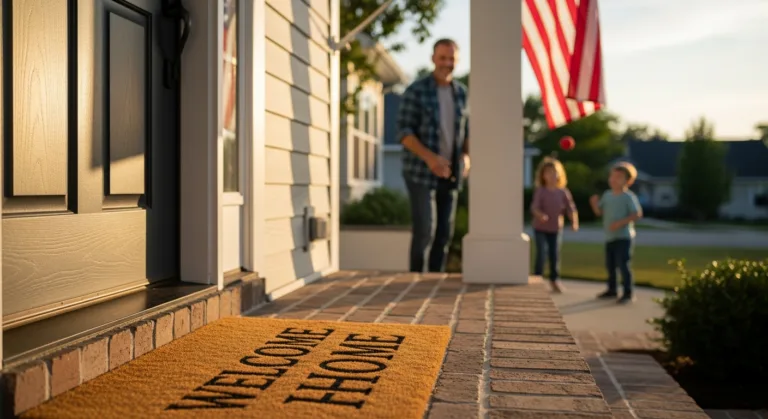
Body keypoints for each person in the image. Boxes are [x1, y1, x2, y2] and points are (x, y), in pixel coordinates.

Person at [396, 38, 469, 273]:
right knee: (425, 230)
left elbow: (466, 130)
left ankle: (435, 280)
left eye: (451, 59)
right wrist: (430, 158)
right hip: (420, 171)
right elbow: (404, 132)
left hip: (450, 172)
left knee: (444, 233)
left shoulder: (461, 93)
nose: (447, 63)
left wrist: (467, 155)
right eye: (442, 58)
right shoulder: (416, 91)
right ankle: (416, 279)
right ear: (433, 59)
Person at [589, 162, 643, 304]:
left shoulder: (628, 197)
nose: (614, 179)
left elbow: (637, 214)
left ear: (628, 181)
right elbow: (599, 212)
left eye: (618, 177)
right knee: (610, 265)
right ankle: (612, 290)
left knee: (623, 265)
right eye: (612, 176)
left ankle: (628, 293)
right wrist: (594, 204)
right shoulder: (607, 195)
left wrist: (619, 223)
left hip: (624, 237)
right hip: (610, 237)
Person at [530, 157, 579, 293]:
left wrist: (574, 222)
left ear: (559, 174)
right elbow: (534, 207)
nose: (551, 175)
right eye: (548, 172)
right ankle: (537, 279)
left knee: (554, 254)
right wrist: (540, 215)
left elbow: (571, 208)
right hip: (540, 228)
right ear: (543, 175)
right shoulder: (541, 191)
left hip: (555, 229)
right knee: (541, 253)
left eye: (554, 172)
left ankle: (554, 280)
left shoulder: (563, 192)